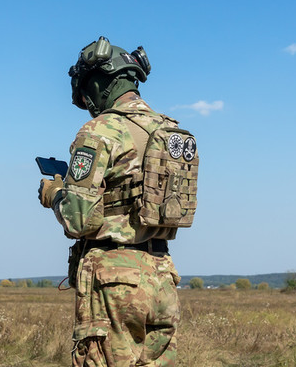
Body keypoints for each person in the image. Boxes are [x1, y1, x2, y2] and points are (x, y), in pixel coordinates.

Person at [38, 37, 198, 366]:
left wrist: (54, 193)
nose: (87, 102)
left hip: (114, 283)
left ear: (99, 83)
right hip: (162, 278)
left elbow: (80, 221)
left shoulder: (100, 130)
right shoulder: (169, 130)